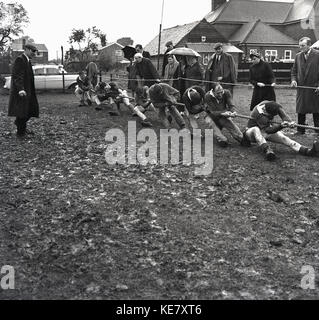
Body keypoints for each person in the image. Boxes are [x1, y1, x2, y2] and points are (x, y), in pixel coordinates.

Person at [244, 101, 319, 160]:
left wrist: (289, 122)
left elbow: (283, 114)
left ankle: (307, 151)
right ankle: (267, 150)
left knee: (284, 138)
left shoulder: (271, 104)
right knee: (256, 129)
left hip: (264, 131)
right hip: (251, 134)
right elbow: (268, 130)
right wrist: (280, 126)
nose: (272, 117)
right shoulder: (258, 114)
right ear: (265, 111)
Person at [8, 43, 39, 137]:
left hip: (28, 91)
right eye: (33, 51)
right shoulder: (20, 60)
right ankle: (20, 132)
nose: (34, 53)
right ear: (26, 49)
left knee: (29, 110)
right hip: (21, 92)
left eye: (35, 51)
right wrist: (20, 89)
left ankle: (21, 126)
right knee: (23, 111)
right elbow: (17, 76)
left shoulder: (27, 60)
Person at [291, 36, 319, 135]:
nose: (301, 48)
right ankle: (300, 130)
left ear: (309, 45)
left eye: (303, 45)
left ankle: (318, 130)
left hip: (314, 88)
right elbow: (294, 71)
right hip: (302, 89)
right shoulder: (298, 56)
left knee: (317, 110)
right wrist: (294, 80)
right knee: (301, 110)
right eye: (300, 46)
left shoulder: (317, 55)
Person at [204, 83, 244, 147]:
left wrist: (234, 112)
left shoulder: (226, 92)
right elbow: (212, 112)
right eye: (218, 93)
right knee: (223, 141)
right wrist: (224, 113)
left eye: (221, 92)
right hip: (211, 117)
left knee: (242, 138)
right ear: (213, 91)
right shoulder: (207, 96)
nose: (220, 95)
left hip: (223, 116)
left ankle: (240, 138)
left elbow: (231, 105)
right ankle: (221, 138)